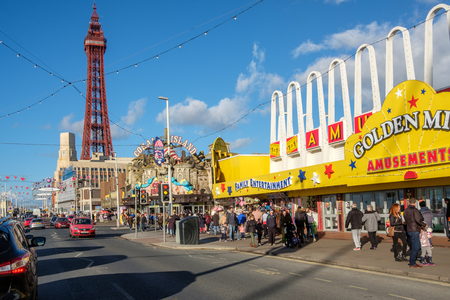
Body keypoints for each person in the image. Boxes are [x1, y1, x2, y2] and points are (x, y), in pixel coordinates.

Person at [404, 198, 427, 268]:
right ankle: (412, 262)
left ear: (409, 203)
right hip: (414, 230)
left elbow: (405, 219)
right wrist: (424, 225)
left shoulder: (406, 210)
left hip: (409, 229)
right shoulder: (415, 210)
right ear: (415, 203)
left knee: (415, 246)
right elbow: (418, 220)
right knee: (416, 247)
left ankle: (411, 260)